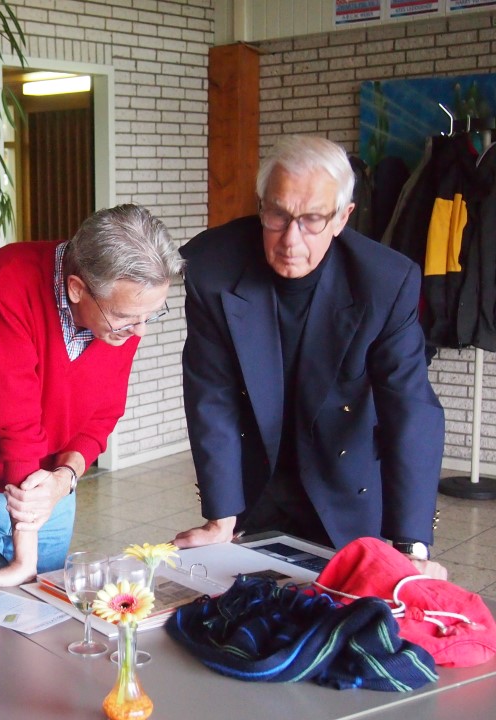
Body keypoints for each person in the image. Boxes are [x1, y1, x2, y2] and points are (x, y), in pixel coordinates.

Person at [175, 135, 447, 576]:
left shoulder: (385, 281)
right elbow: (211, 393)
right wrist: (221, 516)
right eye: (277, 215)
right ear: (261, 205)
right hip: (256, 482)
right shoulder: (212, 267)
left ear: (342, 218)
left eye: (312, 220)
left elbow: (410, 407)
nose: (290, 239)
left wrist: (411, 544)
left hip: (345, 478)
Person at [0, 203, 183, 578]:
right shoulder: (7, 285)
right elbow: (17, 425)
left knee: (43, 607)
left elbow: (103, 414)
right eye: (126, 318)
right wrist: (25, 557)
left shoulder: (123, 316)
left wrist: (64, 479)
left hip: (50, 490)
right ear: (76, 289)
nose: (139, 331)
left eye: (150, 315)